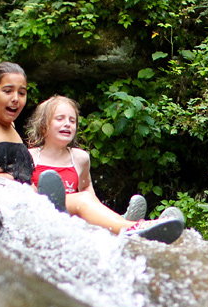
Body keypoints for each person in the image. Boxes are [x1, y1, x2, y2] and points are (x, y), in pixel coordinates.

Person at [26, 95, 183, 237]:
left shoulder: (80, 158)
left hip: (71, 215)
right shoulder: (29, 156)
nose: (67, 124)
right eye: (60, 119)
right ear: (43, 125)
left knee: (85, 200)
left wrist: (102, 214)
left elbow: (87, 191)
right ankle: (133, 226)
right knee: (81, 200)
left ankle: (121, 222)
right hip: (43, 214)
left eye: (72, 121)